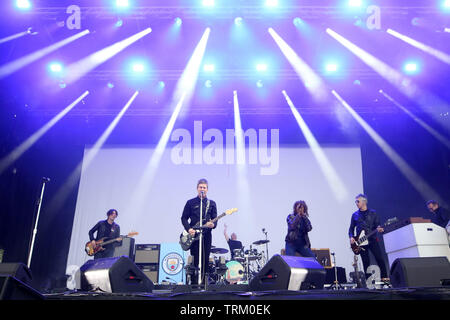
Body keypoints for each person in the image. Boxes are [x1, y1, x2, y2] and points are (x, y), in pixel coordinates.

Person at [181, 179, 217, 285]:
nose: (202, 189)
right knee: (195, 258)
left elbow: (215, 219)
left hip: (206, 235)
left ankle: (204, 284)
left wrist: (213, 225)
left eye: (204, 187)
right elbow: (183, 218)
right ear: (197, 188)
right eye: (200, 187)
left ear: (207, 189)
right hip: (194, 235)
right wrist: (189, 229)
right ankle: (194, 283)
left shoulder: (212, 203)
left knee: (205, 259)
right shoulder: (190, 202)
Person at [348, 194, 389, 283]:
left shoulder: (373, 213)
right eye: (356, 201)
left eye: (357, 201)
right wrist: (351, 237)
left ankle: (385, 277)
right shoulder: (354, 215)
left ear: (364, 202)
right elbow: (351, 228)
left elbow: (377, 225)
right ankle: (368, 280)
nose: (356, 203)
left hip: (372, 239)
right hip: (361, 242)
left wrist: (380, 229)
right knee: (366, 261)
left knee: (379, 258)